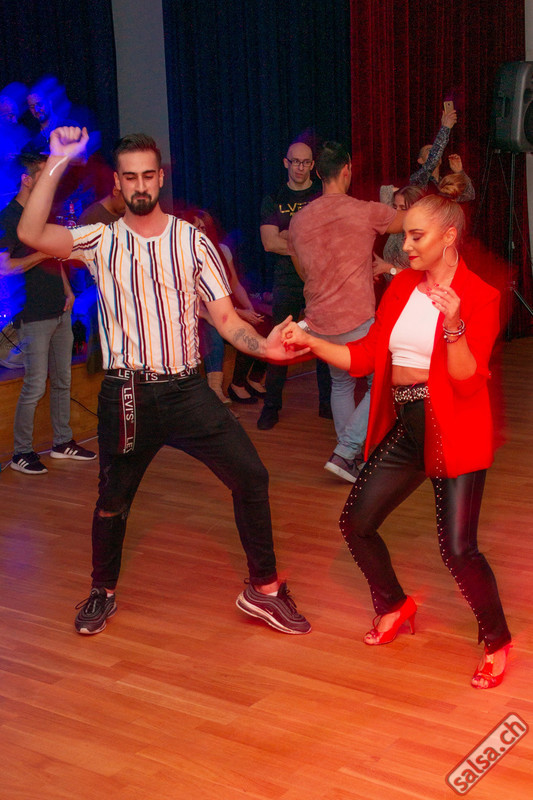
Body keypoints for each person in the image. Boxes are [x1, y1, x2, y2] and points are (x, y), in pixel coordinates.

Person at [17, 126, 311, 637]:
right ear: (118, 182)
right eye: (129, 177)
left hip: (186, 391)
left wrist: (266, 348)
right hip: (127, 395)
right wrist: (59, 159)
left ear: (159, 178)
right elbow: (30, 233)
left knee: (251, 476)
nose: (139, 185)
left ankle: (263, 591)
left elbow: (226, 319)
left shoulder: (192, 241)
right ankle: (102, 591)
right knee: (113, 499)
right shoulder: (100, 239)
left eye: (147, 175)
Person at [281, 191, 512, 688]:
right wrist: (311, 341)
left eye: (415, 236)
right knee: (356, 522)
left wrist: (454, 327)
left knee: (458, 550)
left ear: (449, 237)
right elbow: (367, 356)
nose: (404, 246)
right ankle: (394, 604)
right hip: (409, 425)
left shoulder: (479, 296)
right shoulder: (403, 285)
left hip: (455, 430)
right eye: (404, 234)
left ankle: (497, 640)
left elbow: (467, 380)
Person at [287, 142, 404, 482]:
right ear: (346, 170)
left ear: (317, 172)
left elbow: (302, 270)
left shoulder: (299, 220)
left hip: (320, 321)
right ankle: (347, 450)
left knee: (340, 385)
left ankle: (349, 457)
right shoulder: (364, 211)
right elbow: (407, 221)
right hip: (357, 319)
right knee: (379, 382)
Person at [0, 152, 96, 474]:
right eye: (44, 174)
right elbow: (5, 268)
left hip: (59, 307)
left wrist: (68, 290)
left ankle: (62, 442)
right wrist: (41, 253)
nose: (51, 180)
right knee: (35, 385)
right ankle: (21, 453)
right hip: (33, 312)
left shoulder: (44, 214)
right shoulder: (8, 217)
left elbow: (56, 257)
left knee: (63, 380)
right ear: (27, 180)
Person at [258, 139, 331, 429]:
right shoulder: (274, 197)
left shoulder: (322, 195)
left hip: (319, 278)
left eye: (306, 162)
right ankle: (271, 406)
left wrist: (289, 236)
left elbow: (330, 239)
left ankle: (327, 404)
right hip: (286, 280)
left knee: (324, 341)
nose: (300, 167)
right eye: (295, 161)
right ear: (286, 163)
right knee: (280, 341)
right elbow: (269, 243)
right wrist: (306, 241)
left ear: (313, 165)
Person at [191, 209, 266, 405]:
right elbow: (201, 302)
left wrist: (249, 308)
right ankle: (215, 390)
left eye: (204, 228)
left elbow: (234, 284)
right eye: (197, 228)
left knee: (263, 323)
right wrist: (239, 313)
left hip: (224, 308)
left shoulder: (221, 250)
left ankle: (244, 381)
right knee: (214, 330)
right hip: (201, 315)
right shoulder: (186, 256)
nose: (202, 232)